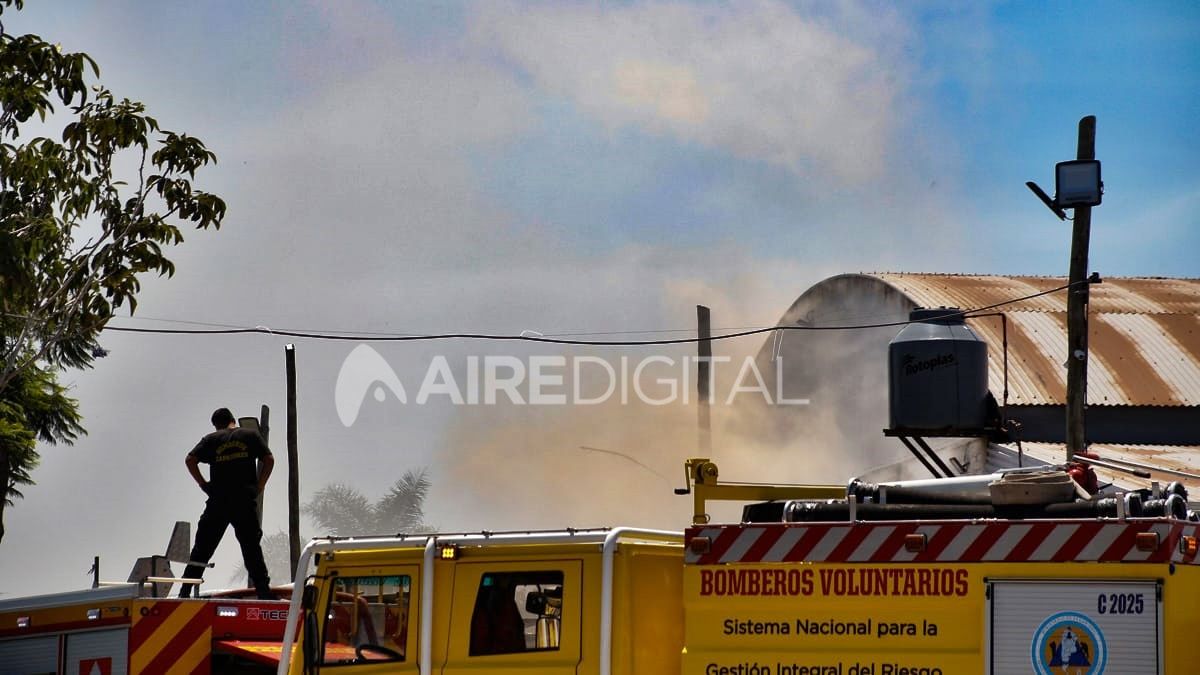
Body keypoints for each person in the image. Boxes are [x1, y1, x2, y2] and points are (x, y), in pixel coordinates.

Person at [180, 407, 275, 599]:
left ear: (216, 425)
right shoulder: (249, 435)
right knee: (251, 548)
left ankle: (185, 591)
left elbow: (190, 460)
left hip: (218, 501)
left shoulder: (211, 439)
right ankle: (264, 592)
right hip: (243, 501)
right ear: (233, 420)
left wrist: (203, 484)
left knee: (202, 549)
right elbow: (269, 459)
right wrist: (260, 486)